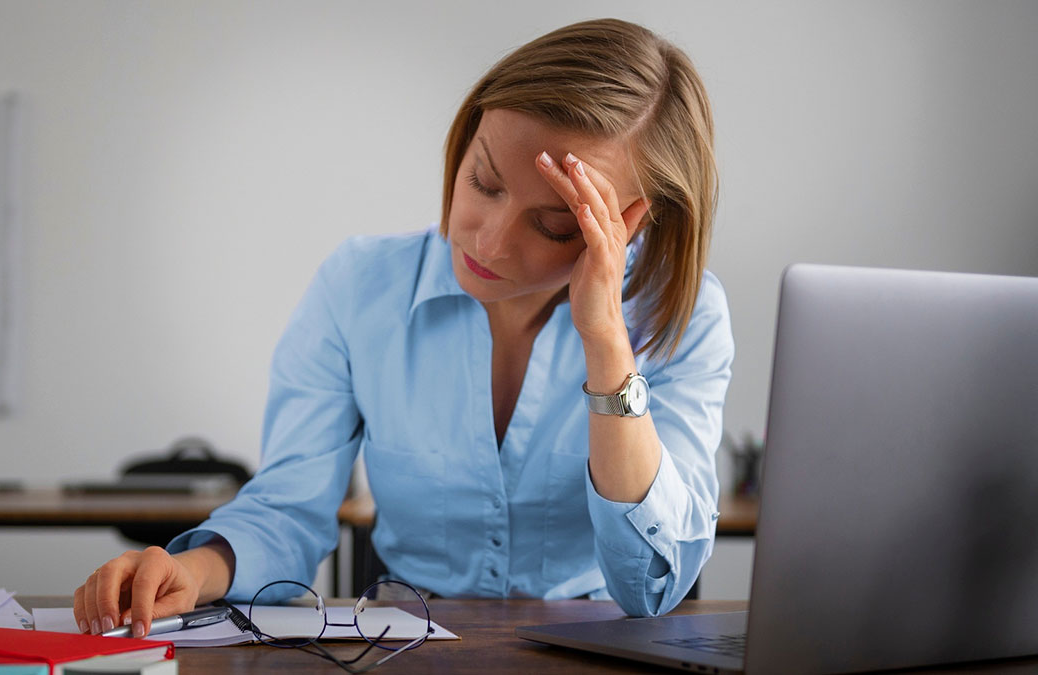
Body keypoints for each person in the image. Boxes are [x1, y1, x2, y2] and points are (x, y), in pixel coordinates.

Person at [74, 17, 733, 638]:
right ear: (466, 137)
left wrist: (607, 344)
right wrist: (189, 571)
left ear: (632, 222)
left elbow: (651, 584)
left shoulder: (685, 315)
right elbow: (287, 507)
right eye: (484, 180)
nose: (491, 241)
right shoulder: (359, 286)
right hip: (407, 649)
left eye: (556, 225)